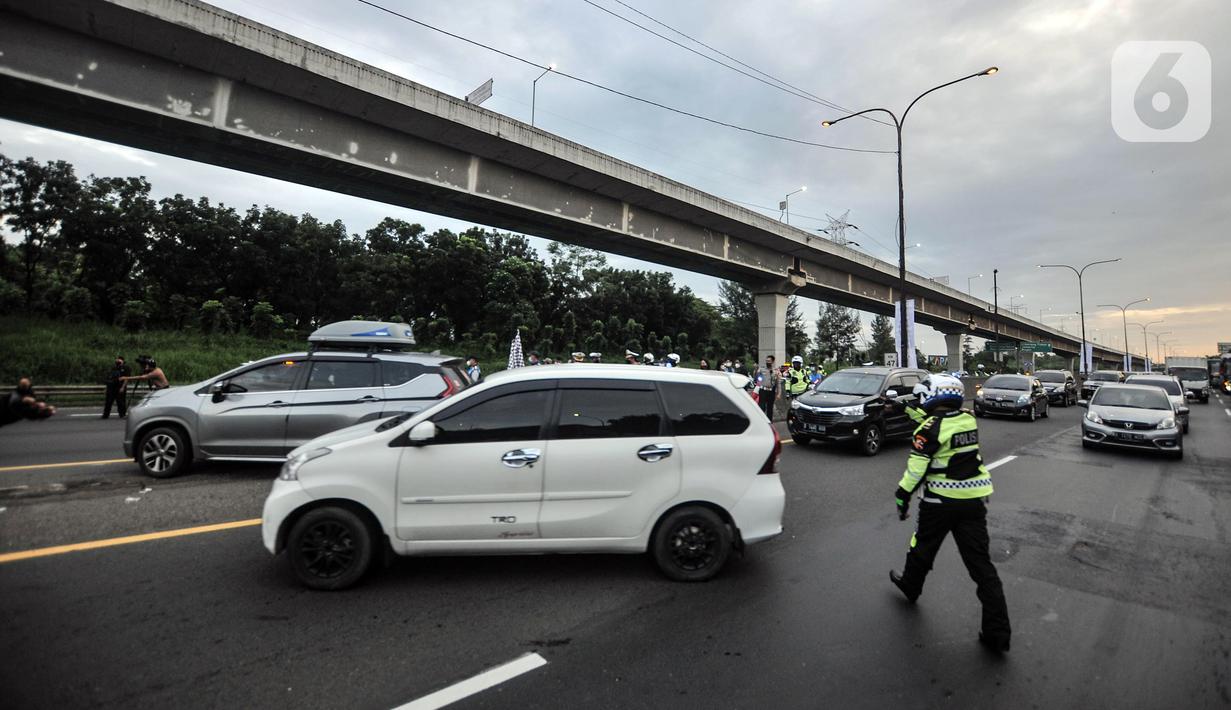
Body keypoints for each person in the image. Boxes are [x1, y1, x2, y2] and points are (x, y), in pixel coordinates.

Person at [889, 374, 1011, 653]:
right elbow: (930, 418)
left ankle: (910, 586)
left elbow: (916, 471)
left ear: (933, 396)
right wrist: (902, 408)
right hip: (973, 502)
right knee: (982, 567)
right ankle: (998, 633)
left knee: (921, 547)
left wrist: (901, 498)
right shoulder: (967, 419)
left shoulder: (928, 430)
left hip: (939, 503)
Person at [753, 355, 780, 419]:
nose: (767, 362)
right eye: (767, 361)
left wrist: (779, 393)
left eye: (769, 361)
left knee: (770, 408)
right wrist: (756, 370)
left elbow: (778, 383)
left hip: (771, 392)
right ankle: (761, 420)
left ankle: (769, 422)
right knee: (762, 407)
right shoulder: (761, 369)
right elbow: (756, 377)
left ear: (772, 362)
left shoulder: (776, 371)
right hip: (763, 391)